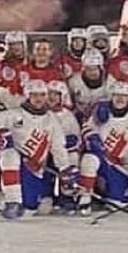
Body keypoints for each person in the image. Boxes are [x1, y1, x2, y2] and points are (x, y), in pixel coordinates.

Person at [0, 79, 78, 219]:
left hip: (34, 167)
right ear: (28, 96)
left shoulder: (51, 120)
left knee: (32, 208)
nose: (38, 99)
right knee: (11, 155)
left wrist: (64, 168)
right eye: (34, 95)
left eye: (42, 95)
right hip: (13, 163)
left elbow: (58, 147)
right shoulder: (14, 114)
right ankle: (12, 202)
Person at [76, 81, 128, 215]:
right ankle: (85, 198)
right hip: (101, 159)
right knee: (88, 159)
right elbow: (86, 128)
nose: (120, 99)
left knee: (117, 205)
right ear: (111, 97)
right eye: (116, 95)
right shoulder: (101, 113)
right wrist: (92, 138)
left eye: (123, 96)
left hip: (120, 166)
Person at [44, 80, 82, 213]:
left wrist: (72, 141)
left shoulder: (68, 116)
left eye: (56, 94)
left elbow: (77, 138)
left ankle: (67, 196)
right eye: (49, 93)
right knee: (44, 206)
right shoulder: (39, 113)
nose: (52, 97)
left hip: (62, 155)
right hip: (43, 156)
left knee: (72, 157)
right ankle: (45, 194)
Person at [0, 31, 29, 110]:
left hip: (26, 105)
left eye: (19, 44)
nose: (16, 47)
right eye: (12, 44)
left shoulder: (31, 64)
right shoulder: (0, 65)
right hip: (5, 105)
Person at [68, 50, 109, 122]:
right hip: (79, 118)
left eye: (95, 69)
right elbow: (68, 104)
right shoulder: (73, 82)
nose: (92, 72)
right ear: (83, 69)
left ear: (101, 68)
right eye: (89, 69)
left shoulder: (110, 82)